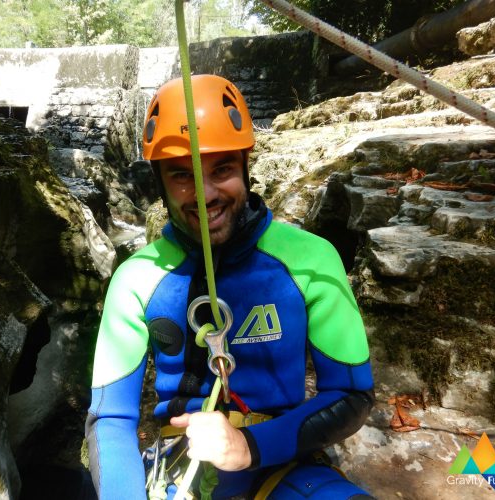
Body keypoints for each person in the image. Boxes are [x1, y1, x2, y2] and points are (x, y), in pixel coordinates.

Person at [86, 74, 375, 499]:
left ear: (245, 168)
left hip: (281, 464)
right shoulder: (136, 279)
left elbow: (351, 394)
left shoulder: (310, 260)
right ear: (160, 184)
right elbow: (109, 418)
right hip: (177, 469)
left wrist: (248, 447)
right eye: (182, 176)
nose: (204, 195)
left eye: (221, 169)